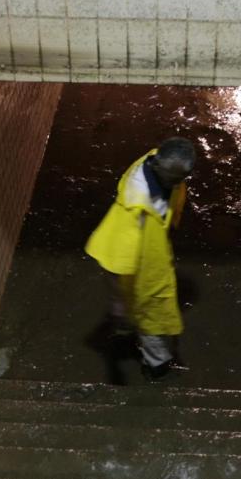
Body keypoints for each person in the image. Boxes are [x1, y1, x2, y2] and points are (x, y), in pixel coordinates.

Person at [85, 137, 196, 380]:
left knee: (134, 308)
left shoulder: (157, 161)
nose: (178, 184)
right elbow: (121, 261)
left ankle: (122, 319)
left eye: (181, 179)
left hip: (134, 262)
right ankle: (156, 365)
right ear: (158, 166)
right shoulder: (135, 212)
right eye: (174, 179)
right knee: (151, 320)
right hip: (136, 271)